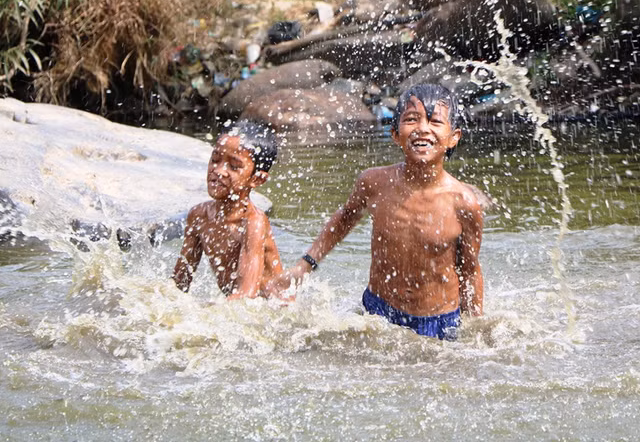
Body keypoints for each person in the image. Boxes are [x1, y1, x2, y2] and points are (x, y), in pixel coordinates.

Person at [265, 83, 484, 340]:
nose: (423, 129)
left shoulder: (463, 203)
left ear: (453, 137)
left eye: (435, 121)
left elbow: (469, 270)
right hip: (378, 313)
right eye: (412, 119)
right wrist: (306, 264)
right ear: (394, 133)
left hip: (437, 321)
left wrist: (475, 329)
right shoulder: (375, 183)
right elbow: (345, 217)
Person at [172, 119, 283, 299]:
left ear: (257, 179)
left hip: (273, 312)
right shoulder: (198, 216)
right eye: (215, 159)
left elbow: (246, 296)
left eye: (234, 166)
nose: (219, 171)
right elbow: (180, 281)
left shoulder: (253, 223)